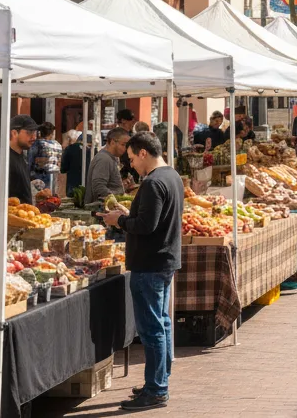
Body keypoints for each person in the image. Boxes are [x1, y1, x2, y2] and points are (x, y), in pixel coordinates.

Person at [100, 132, 183, 411]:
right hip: (164, 261)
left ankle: (157, 389)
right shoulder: (172, 176)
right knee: (162, 323)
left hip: (150, 264)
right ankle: (159, 381)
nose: (131, 164)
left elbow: (146, 226)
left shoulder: (153, 182)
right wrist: (128, 214)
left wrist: (120, 220)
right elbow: (153, 220)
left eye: (132, 158)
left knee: (152, 329)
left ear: (144, 153)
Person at [0, 115, 38, 207]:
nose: (34, 137)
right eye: (29, 132)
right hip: (7, 218)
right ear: (14, 133)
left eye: (35, 132)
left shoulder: (22, 156)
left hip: (24, 217)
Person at [88, 127, 128, 204]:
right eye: (123, 144)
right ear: (112, 142)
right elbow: (98, 187)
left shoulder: (110, 157)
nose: (126, 149)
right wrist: (115, 200)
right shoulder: (104, 159)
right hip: (102, 209)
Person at [60, 129, 85, 194]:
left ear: (69, 139)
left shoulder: (69, 149)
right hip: (87, 185)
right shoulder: (89, 150)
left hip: (72, 187)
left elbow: (63, 169)